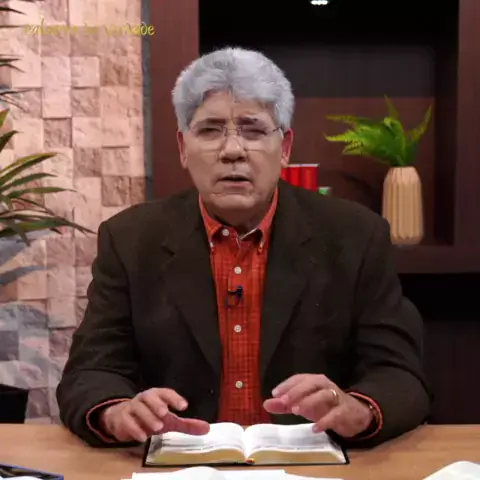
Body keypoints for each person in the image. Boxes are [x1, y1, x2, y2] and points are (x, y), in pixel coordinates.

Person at [57, 47, 430, 448]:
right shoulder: (130, 240)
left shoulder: (355, 236)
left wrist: (360, 409)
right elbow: (89, 374)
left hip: (310, 460)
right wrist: (117, 412)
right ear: (183, 147)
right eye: (210, 130)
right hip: (181, 464)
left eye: (253, 130)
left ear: (285, 148)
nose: (232, 150)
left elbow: (400, 374)